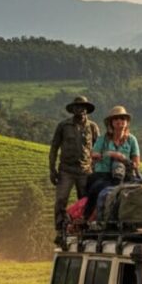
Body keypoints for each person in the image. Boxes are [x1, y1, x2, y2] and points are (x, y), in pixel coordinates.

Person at [49, 96, 101, 234]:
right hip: (66, 170)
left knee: (84, 201)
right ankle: (60, 230)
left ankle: (83, 228)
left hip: (85, 170)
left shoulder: (92, 127)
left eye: (83, 107)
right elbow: (54, 147)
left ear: (87, 110)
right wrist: (52, 169)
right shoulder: (63, 126)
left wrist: (97, 171)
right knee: (61, 199)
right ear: (72, 109)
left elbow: (98, 149)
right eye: (77, 106)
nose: (80, 109)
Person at [85, 105, 141, 220]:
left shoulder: (132, 140)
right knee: (96, 190)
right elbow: (93, 153)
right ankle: (87, 219)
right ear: (111, 122)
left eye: (122, 119)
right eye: (116, 119)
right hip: (104, 175)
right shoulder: (103, 139)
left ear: (126, 122)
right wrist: (106, 154)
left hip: (126, 175)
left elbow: (136, 163)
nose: (119, 121)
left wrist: (121, 158)